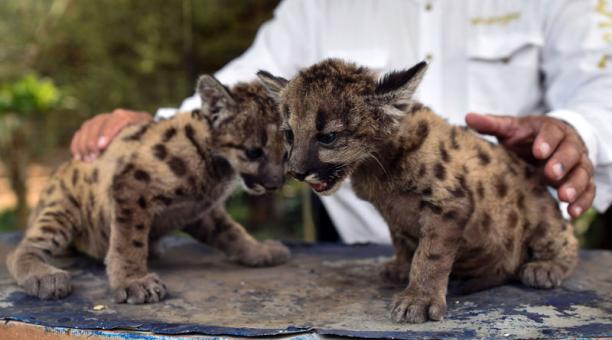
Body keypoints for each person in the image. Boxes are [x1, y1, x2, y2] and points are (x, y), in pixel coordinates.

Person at [71, 0, 612, 244]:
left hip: (509, 252)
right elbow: (246, 91)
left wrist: (574, 132)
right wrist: (154, 128)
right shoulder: (318, 6)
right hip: (361, 269)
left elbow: (601, 86)